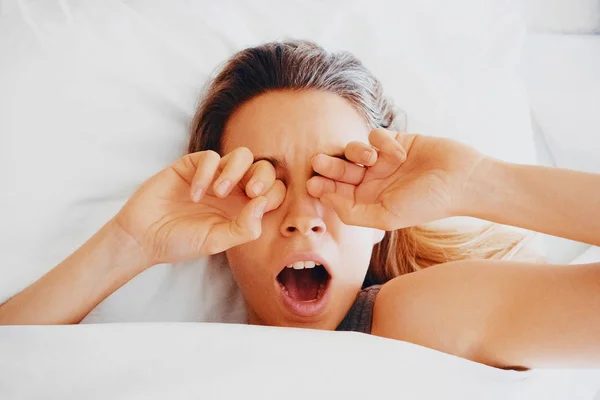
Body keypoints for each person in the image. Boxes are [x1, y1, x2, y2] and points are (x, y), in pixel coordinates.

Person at [1, 40, 599, 370]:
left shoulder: (411, 319)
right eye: (267, 181)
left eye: (332, 178)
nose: (301, 214)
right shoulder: (181, 358)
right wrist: (130, 243)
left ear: (380, 228)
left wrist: (481, 184)